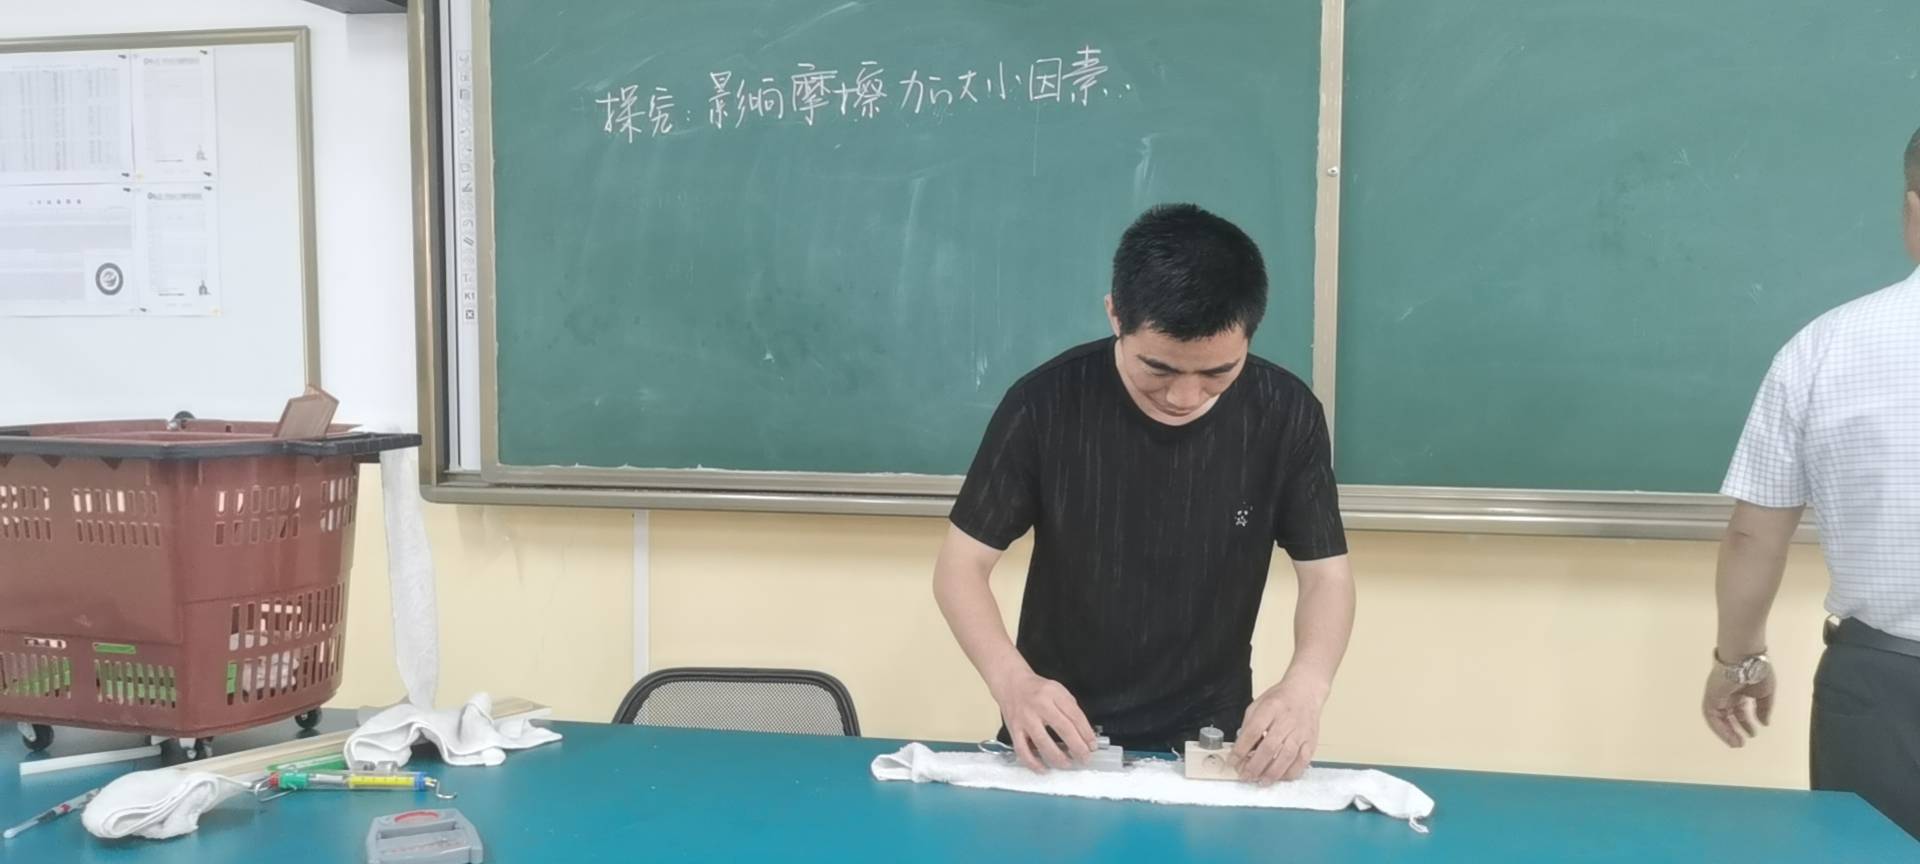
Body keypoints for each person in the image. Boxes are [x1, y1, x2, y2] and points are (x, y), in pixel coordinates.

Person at [932, 203, 1355, 784]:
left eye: (1217, 373)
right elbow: (960, 567)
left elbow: (1327, 577)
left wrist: (1307, 686)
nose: (1185, 396)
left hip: (1214, 745)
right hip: (1060, 737)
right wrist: (1012, 682)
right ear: (1115, 315)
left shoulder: (1285, 414)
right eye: (1159, 369)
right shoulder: (1045, 405)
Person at [1702, 127, 1920, 838]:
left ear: (1913, 210)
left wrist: (1738, 662)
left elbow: (1753, 535)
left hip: (1883, 687)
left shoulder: (1825, 347)